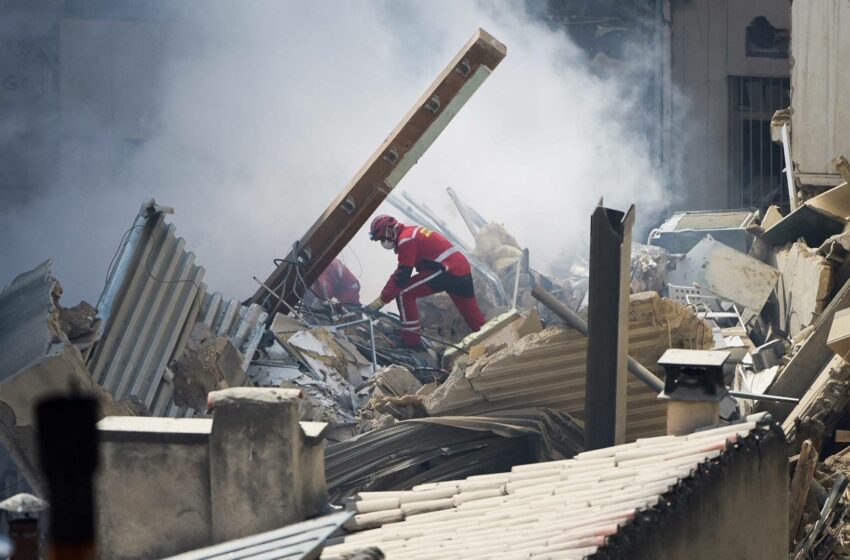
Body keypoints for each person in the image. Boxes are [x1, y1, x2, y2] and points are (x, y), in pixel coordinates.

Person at [365, 214, 485, 347]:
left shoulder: (406, 239)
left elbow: (402, 275)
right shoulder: (412, 232)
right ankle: (492, 338)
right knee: (474, 317)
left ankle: (412, 342)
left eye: (382, 238)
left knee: (404, 294)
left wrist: (382, 300)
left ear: (388, 230)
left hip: (447, 270)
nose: (383, 243)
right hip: (461, 269)